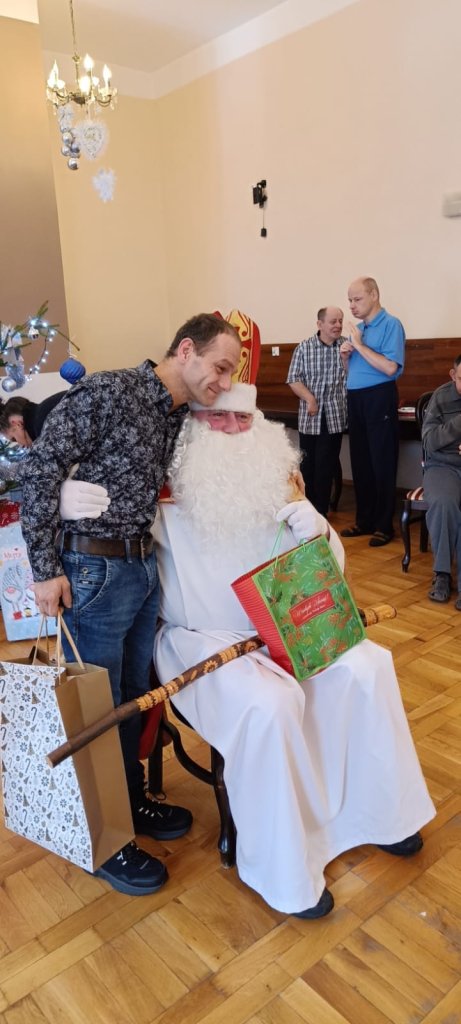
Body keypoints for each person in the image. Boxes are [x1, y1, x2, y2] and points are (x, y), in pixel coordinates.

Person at [152, 383, 435, 919]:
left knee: (368, 666)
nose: (234, 430)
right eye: (219, 419)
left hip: (286, 623)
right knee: (270, 704)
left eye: (244, 418)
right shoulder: (164, 489)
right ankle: (282, 870)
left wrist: (319, 530)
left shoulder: (278, 481)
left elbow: (323, 576)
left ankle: (382, 814)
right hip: (203, 638)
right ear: (192, 427)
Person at [19, 313, 242, 897]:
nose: (223, 382)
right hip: (93, 569)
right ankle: (104, 839)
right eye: (220, 367)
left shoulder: (176, 415)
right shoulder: (110, 391)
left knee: (131, 698)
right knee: (95, 707)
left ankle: (131, 799)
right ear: (186, 349)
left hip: (142, 568)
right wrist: (44, 569)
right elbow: (39, 468)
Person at [340, 277, 405, 546]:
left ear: (374, 295)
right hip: (355, 397)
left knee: (382, 461)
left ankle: (383, 525)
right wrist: (346, 358)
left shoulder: (391, 324)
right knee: (361, 461)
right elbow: (352, 373)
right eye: (349, 300)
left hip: (379, 396)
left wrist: (359, 346)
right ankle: (364, 520)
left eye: (357, 299)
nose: (352, 306)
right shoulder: (358, 330)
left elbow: (390, 368)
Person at [287, 307, 347, 516]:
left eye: (340, 321)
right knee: (308, 465)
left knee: (326, 465)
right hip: (310, 416)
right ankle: (306, 509)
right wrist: (310, 398)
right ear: (320, 324)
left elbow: (353, 377)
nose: (338, 325)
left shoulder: (347, 347)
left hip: (335, 416)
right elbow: (293, 379)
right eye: (333, 321)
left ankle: (321, 512)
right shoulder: (304, 348)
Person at [421, 355, 461, 608]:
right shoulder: (441, 397)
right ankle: (442, 574)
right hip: (442, 465)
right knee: (443, 502)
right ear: (453, 375)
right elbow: (429, 442)